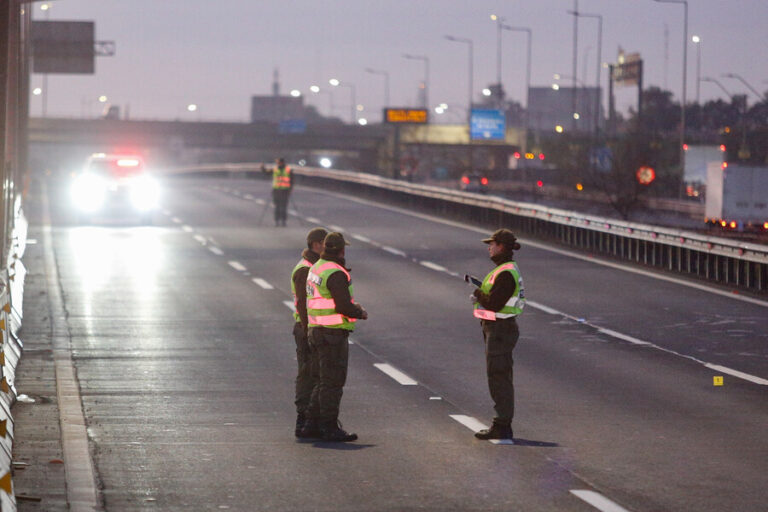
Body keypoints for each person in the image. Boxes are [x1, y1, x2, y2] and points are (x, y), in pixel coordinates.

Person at [300, 232, 368, 442]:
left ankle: (311, 425)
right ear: (341, 250)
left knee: (322, 381)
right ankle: (329, 427)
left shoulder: (316, 267)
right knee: (333, 383)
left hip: (316, 330)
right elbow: (342, 305)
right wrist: (359, 312)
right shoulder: (336, 272)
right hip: (332, 334)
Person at [470, 229, 525, 441]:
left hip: (501, 330)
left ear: (501, 246)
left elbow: (494, 303)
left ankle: (501, 425)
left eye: (491, 244)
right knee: (499, 375)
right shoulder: (504, 269)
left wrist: (477, 293)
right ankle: (502, 424)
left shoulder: (505, 272)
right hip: (499, 328)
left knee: (499, 377)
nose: (489, 248)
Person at [290, 227, 328, 438]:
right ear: (316, 245)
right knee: (307, 374)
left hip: (312, 327)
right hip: (306, 329)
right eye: (326, 244)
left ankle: (312, 420)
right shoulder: (306, 269)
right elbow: (304, 305)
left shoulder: (315, 267)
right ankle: (303, 419)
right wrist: (308, 331)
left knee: (316, 373)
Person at [261, 157, 292, 226]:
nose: (277, 163)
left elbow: (291, 180)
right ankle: (277, 221)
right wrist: (263, 168)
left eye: (278, 162)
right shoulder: (275, 169)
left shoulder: (288, 170)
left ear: (282, 162)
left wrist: (290, 190)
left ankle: (283, 221)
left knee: (283, 207)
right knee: (277, 206)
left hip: (284, 191)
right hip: (276, 191)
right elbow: (267, 173)